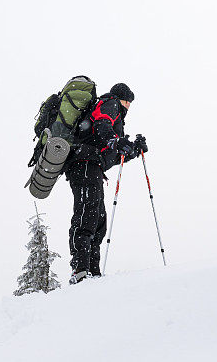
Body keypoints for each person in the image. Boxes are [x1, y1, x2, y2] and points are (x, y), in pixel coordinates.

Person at [65, 82, 148, 284]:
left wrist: (133, 149)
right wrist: (116, 140)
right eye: (128, 102)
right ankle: (80, 269)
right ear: (123, 99)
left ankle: (92, 271)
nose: (129, 107)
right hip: (84, 163)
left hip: (93, 166)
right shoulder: (109, 103)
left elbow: (112, 151)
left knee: (97, 219)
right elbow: (102, 126)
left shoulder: (115, 116)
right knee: (87, 213)